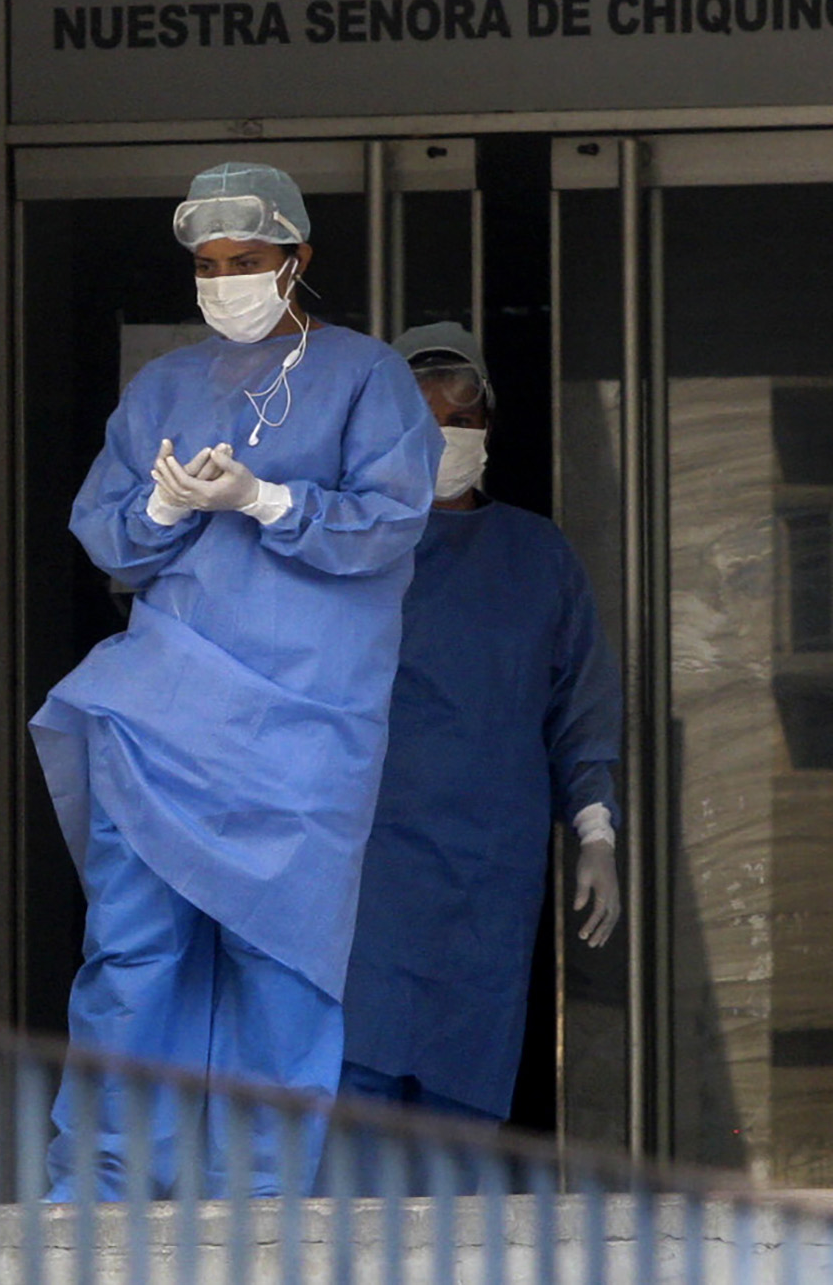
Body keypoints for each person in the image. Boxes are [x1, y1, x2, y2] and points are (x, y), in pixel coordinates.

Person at [32, 161, 442, 1199]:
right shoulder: (163, 387)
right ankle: (105, 1192)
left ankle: (261, 1211)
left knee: (282, 969)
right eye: (209, 266)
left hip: (301, 733)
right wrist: (159, 515)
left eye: (246, 262)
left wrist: (269, 498)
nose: (225, 281)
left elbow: (391, 521)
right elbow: (109, 537)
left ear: (295, 260)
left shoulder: (365, 377)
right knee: (130, 961)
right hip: (160, 716)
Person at [337, 323, 623, 1132]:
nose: (442, 436)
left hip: (483, 891)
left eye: (460, 417)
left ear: (488, 425)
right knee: (352, 1125)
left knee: (456, 1145)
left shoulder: (537, 559)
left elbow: (580, 705)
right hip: (365, 883)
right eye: (419, 418)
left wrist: (595, 827)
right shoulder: (345, 550)